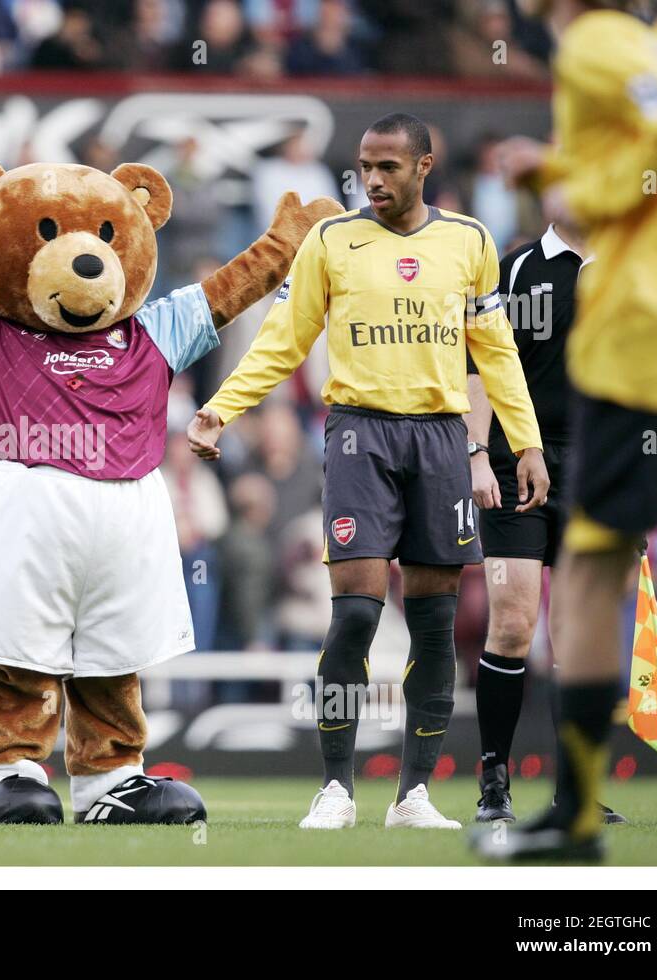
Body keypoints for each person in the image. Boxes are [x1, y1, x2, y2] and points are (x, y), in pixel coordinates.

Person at [188, 112, 548, 830]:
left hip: (444, 441)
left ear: (424, 165)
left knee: (435, 623)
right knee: (353, 613)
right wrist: (220, 409)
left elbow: (495, 351)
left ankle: (413, 794)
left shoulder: (469, 242)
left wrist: (526, 441)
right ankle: (336, 788)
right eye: (364, 167)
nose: (372, 180)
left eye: (387, 167)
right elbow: (282, 340)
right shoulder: (331, 239)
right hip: (359, 435)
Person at [472, 0, 657, 861]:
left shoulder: (595, 42)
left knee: (593, 578)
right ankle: (541, 794)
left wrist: (563, 175)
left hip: (644, 353)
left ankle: (573, 814)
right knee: (548, 601)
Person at [465, 221, 625, 826]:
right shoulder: (513, 270)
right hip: (514, 460)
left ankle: (574, 792)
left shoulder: (628, 267)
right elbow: (477, 366)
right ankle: (493, 784)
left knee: (578, 634)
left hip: (595, 468)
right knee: (512, 621)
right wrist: (477, 453)